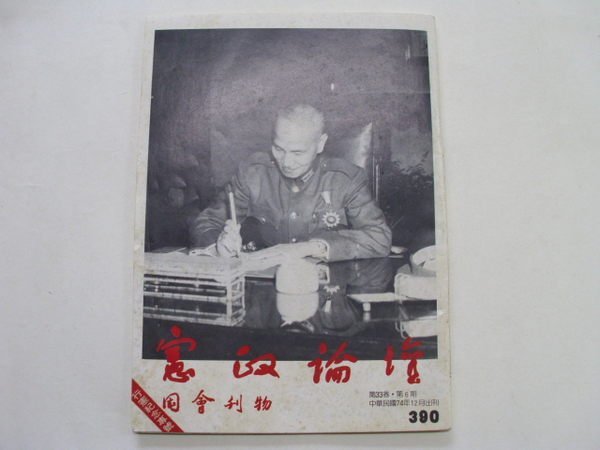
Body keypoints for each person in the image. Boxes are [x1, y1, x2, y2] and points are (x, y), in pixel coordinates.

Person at [189, 104, 392, 262]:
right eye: (279, 149)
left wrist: (311, 248)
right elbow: (207, 222)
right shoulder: (253, 173)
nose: (286, 162)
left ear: (320, 144)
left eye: (298, 153)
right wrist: (218, 245)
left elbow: (379, 237)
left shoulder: (345, 179)